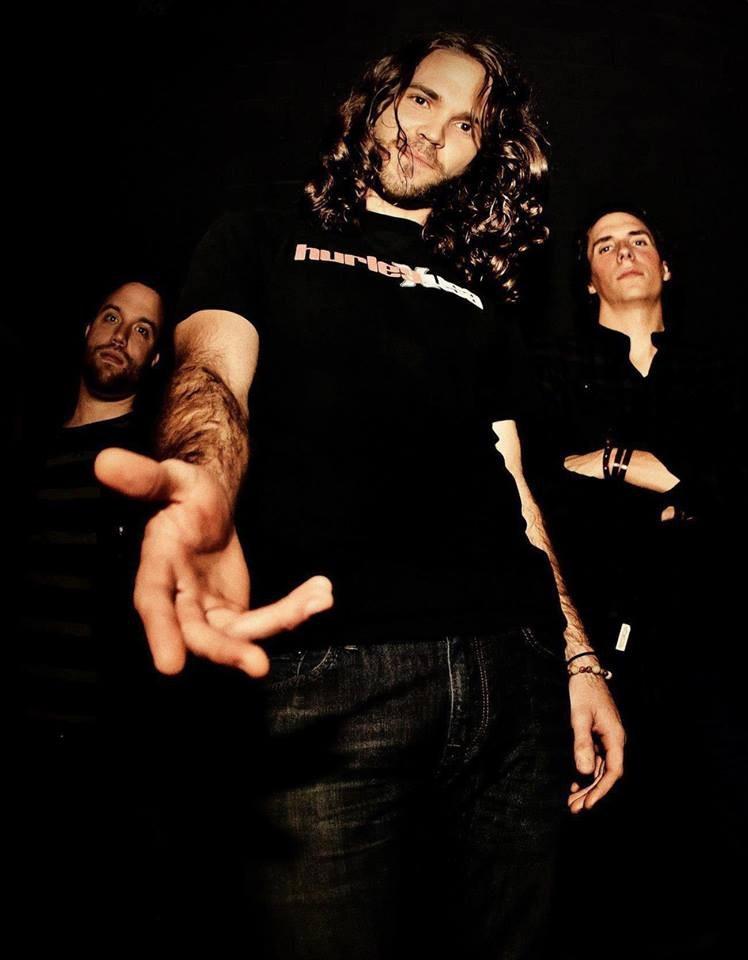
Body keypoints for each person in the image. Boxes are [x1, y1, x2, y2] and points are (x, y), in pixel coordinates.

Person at [94, 33, 624, 959]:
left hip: (514, 677)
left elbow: (517, 486)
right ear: (379, 100)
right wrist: (203, 482)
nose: (436, 133)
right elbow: (212, 375)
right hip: (329, 684)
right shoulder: (257, 234)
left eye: (468, 126)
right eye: (423, 99)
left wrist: (579, 661)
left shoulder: (479, 297)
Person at [535, 205, 748, 958]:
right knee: (616, 872)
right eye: (605, 245)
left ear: (665, 266)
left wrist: (624, 466)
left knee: (746, 856)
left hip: (721, 643)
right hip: (609, 652)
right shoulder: (555, 370)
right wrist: (671, 483)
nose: (626, 251)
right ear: (588, 279)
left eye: (639, 239)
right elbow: (543, 491)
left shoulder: (721, 370)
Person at [14, 279, 169, 957]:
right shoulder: (28, 449)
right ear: (87, 329)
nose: (121, 335)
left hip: (110, 769)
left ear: (154, 360)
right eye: (112, 317)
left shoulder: (157, 466)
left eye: (142, 330)